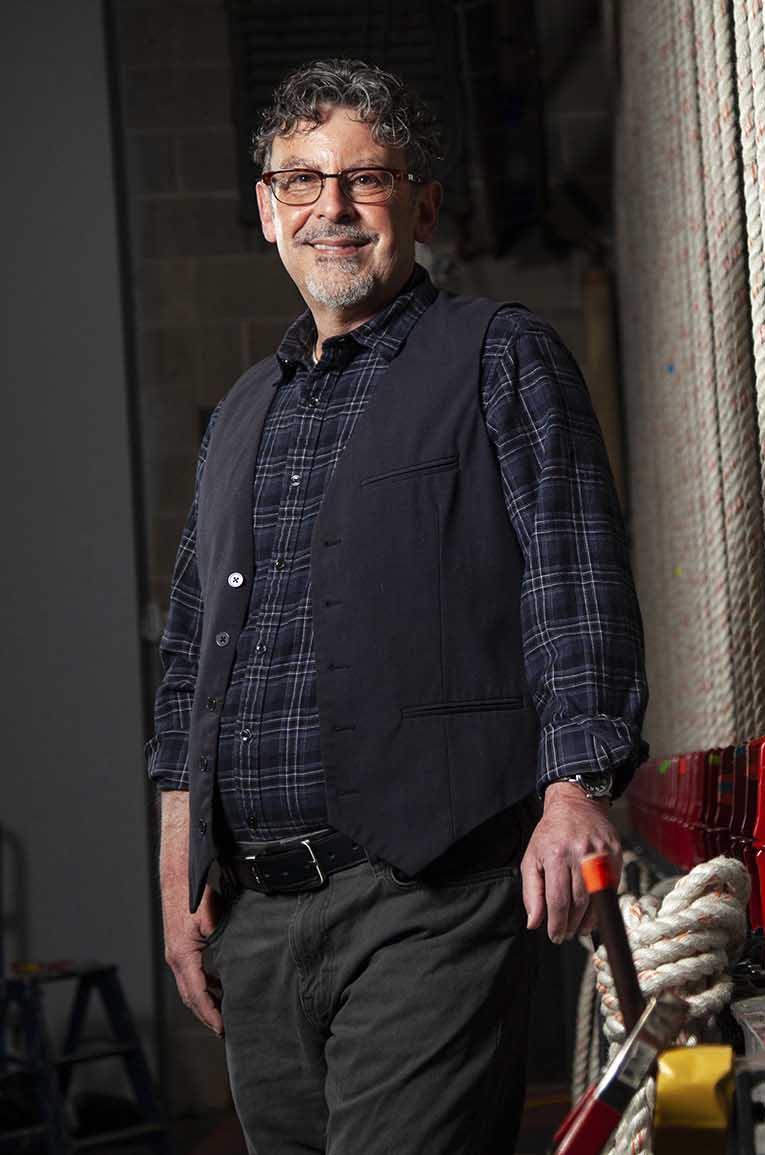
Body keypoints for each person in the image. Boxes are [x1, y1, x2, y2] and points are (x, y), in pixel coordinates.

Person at [145, 58, 648, 1153]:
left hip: (429, 895)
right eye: (300, 181)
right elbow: (192, 657)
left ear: (421, 204)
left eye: (364, 179)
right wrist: (181, 864)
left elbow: (573, 578)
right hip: (258, 915)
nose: (331, 209)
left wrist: (575, 788)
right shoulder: (239, 416)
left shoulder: (499, 355)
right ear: (268, 212)